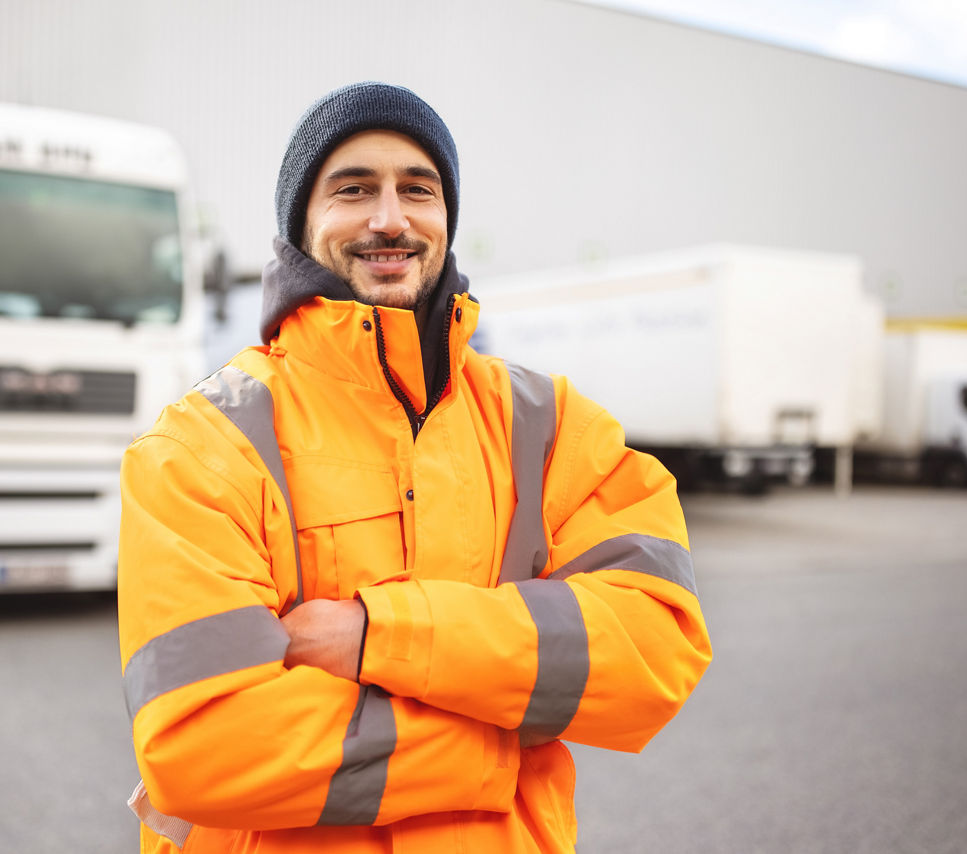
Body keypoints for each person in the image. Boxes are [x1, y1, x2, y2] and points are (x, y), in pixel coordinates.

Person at [118, 81, 712, 854]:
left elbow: (654, 650)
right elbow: (201, 751)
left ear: (446, 218)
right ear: (303, 224)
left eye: (417, 190)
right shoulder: (202, 444)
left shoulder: (548, 424)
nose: (390, 218)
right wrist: (496, 744)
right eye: (354, 189)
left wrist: (380, 635)